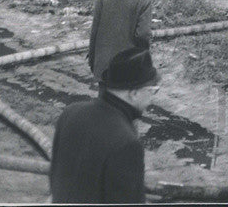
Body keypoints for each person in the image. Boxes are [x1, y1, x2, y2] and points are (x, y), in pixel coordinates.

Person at [50, 47, 160, 203]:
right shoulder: (127, 144)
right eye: (153, 90)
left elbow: (55, 178)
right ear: (134, 93)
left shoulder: (70, 112)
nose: (152, 99)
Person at [87, 0, 152, 82]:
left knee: (104, 98)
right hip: (127, 65)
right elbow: (143, 35)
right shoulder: (144, 1)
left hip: (103, 65)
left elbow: (94, 32)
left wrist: (92, 59)